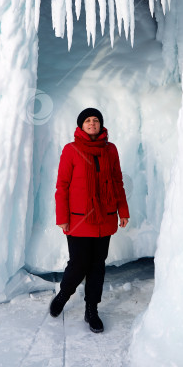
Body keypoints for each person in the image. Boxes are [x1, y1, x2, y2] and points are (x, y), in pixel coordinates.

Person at [50, 107, 130, 332]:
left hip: (105, 218)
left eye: (96, 120)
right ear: (81, 126)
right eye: (88, 121)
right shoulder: (71, 150)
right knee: (78, 264)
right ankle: (63, 295)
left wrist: (123, 211)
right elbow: (62, 186)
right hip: (78, 220)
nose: (92, 123)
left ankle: (91, 310)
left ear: (101, 124)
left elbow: (117, 182)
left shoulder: (110, 150)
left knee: (97, 267)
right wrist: (62, 217)